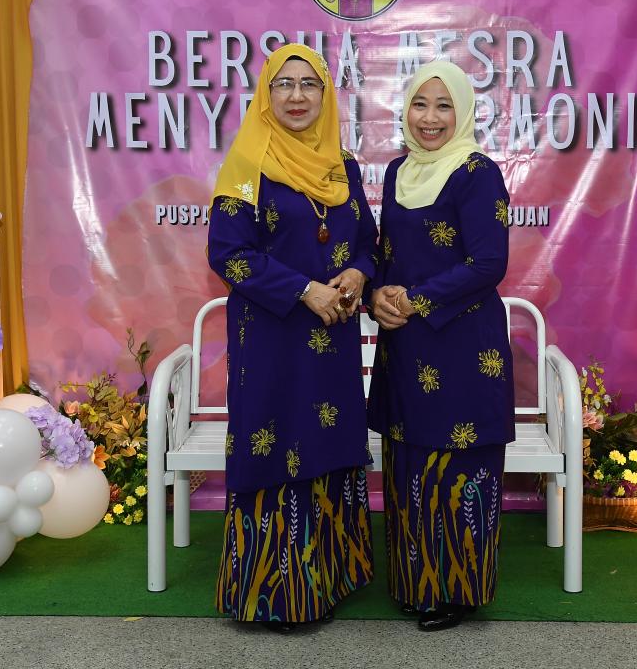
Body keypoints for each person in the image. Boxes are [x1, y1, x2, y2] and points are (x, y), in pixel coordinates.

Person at [207, 44, 377, 632]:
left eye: (309, 84)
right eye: (284, 84)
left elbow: (367, 240)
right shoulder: (246, 164)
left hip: (332, 340)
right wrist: (304, 290)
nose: (297, 96)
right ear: (266, 94)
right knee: (274, 443)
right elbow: (227, 253)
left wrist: (358, 273)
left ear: (326, 95)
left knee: (328, 441)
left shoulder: (342, 165)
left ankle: (329, 580)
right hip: (272, 338)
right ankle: (275, 593)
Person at [367, 61, 514, 632]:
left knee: (458, 464)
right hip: (405, 345)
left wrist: (417, 300)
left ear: (464, 112)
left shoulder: (477, 173)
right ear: (405, 110)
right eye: (420, 104)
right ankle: (416, 584)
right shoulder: (397, 171)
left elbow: (489, 263)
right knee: (409, 461)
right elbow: (387, 253)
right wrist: (378, 295)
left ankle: (456, 591)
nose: (430, 118)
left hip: (462, 344)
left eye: (444, 105)